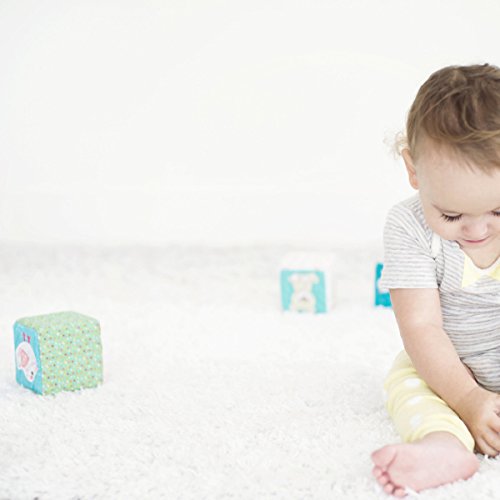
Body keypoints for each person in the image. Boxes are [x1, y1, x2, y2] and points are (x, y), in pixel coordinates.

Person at [371, 63, 500, 496]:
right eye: (451, 215)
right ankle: (444, 446)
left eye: (498, 211)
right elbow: (421, 326)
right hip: (446, 368)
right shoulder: (407, 226)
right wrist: (466, 398)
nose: (477, 230)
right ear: (414, 170)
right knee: (409, 384)